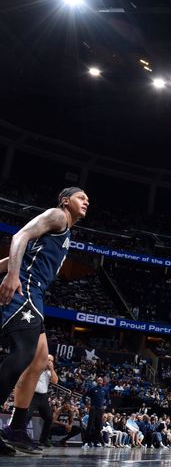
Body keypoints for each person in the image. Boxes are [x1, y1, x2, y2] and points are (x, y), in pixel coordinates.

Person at [0, 186, 89, 454]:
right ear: (65, 201)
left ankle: (16, 429)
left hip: (34, 293)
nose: (87, 201)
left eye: (87, 199)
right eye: (81, 197)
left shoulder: (65, 232)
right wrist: (13, 275)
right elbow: (20, 236)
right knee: (23, 354)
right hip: (24, 287)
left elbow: (16, 255)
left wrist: (7, 267)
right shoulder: (57, 216)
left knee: (39, 361)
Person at [23, 354, 58, 447]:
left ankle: (43, 440)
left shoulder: (49, 372)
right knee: (27, 416)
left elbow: (55, 381)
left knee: (49, 418)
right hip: (32, 395)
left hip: (43, 397)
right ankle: (21, 437)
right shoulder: (37, 367)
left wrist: (52, 369)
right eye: (48, 360)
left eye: (52, 361)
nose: (50, 362)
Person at [83, 376, 111, 447]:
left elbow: (108, 400)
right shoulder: (92, 389)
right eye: (98, 380)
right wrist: (87, 404)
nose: (99, 381)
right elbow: (84, 396)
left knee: (98, 427)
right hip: (93, 409)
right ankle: (87, 441)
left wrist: (105, 405)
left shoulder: (105, 390)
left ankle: (95, 441)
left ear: (102, 382)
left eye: (101, 380)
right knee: (90, 425)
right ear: (96, 381)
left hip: (100, 410)